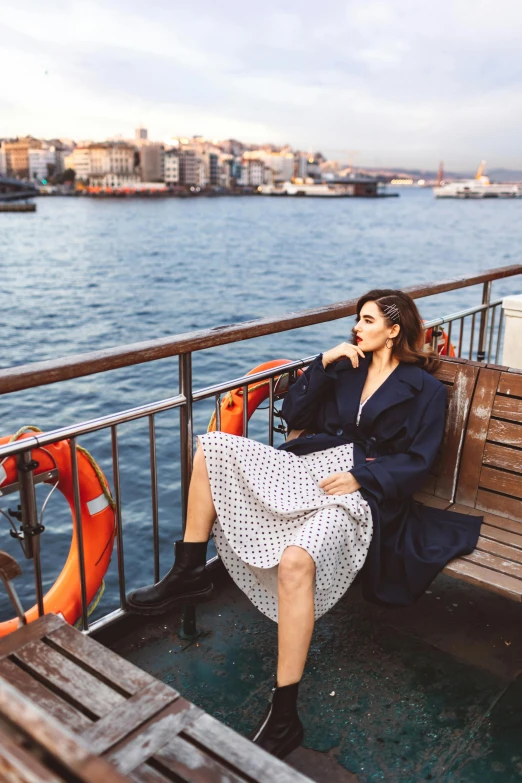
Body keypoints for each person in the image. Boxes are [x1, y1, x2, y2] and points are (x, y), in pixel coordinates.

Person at [127, 289, 482, 759]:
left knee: (296, 562)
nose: (357, 327)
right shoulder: (344, 367)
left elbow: (419, 462)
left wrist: (362, 476)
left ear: (395, 330)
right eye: (357, 319)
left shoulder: (427, 390)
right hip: (306, 469)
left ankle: (284, 713)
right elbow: (293, 414)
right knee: (211, 447)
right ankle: (189, 570)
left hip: (363, 491)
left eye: (368, 319)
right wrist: (323, 362)